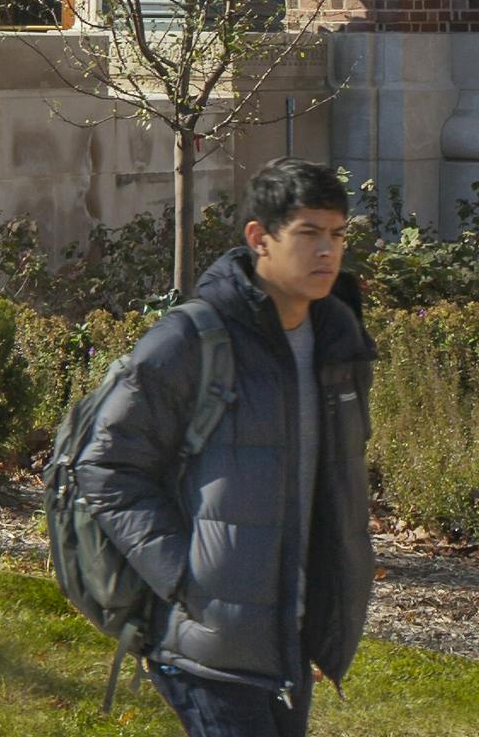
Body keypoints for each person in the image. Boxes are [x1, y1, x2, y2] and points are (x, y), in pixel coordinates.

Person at [78, 158, 377, 737]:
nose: (328, 251)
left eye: (337, 234)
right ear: (259, 238)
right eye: (309, 233)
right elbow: (106, 465)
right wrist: (186, 579)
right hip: (207, 648)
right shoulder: (192, 339)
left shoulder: (339, 342)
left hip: (289, 644)